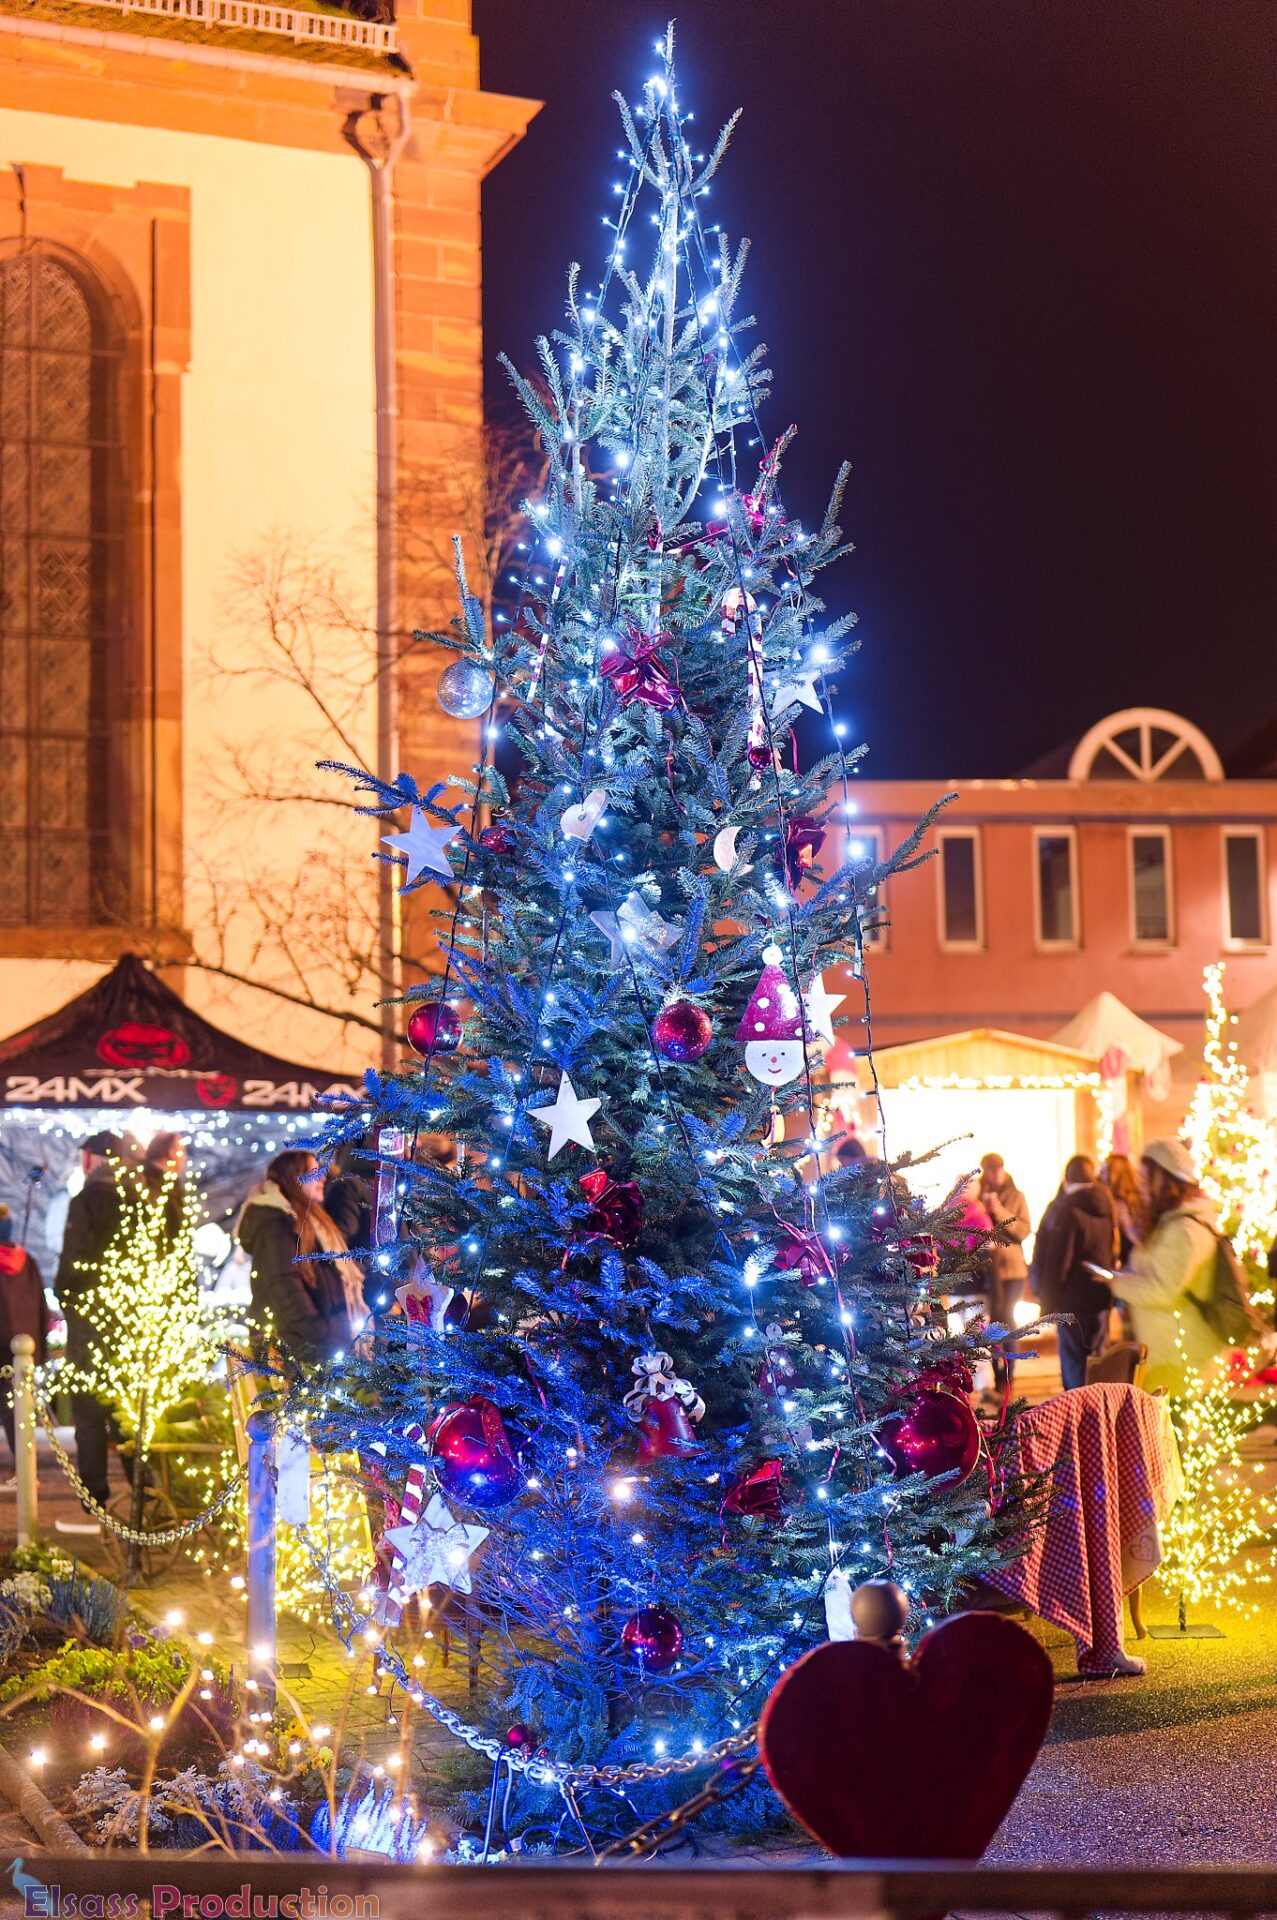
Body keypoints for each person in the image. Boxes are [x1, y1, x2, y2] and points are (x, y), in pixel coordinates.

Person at [53, 1131, 128, 1531]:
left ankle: (95, 1503)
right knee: (127, 1411)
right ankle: (140, 1497)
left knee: (88, 1410)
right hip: (131, 1320)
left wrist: (69, 1300)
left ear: (91, 1159)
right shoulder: (138, 1198)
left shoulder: (86, 1200)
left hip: (91, 1321)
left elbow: (73, 1261)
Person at [238, 1150, 368, 1367]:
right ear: (294, 1177)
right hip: (302, 1351)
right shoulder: (277, 1225)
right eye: (313, 1172)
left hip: (318, 1346)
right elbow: (285, 1286)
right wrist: (321, 1333)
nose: (322, 1177)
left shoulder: (311, 1220)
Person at [1116, 1138, 1223, 1392]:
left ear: (1165, 1180)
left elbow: (1163, 1291)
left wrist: (1116, 1282)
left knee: (1173, 1428)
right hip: (1165, 1348)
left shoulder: (1182, 1230)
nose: (1141, 1185)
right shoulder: (1167, 1224)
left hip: (1180, 1353)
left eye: (1146, 1177)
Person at [1030, 1154, 1119, 1391]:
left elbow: (1059, 1259)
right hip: (1100, 1293)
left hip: (1072, 1299)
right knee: (1098, 1359)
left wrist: (1048, 1301)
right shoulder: (1105, 1205)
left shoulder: (1067, 1209)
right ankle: (1098, 1410)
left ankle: (1078, 1415)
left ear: (1066, 1179)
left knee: (1074, 1362)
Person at [0, 1203, 48, 1493]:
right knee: (17, 1408)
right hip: (23, 1346)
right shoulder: (25, 1260)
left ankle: (23, 1470)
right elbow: (41, 1306)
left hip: (2, 1345)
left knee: (10, 1409)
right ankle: (24, 1468)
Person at [979, 1153, 1031, 1388]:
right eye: (990, 1169)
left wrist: (999, 1211)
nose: (995, 1173)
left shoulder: (1017, 1196)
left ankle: (1009, 1374)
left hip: (1012, 1272)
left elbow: (1023, 1231)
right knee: (991, 1322)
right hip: (988, 1271)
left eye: (998, 1168)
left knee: (1008, 1319)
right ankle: (995, 1372)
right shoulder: (978, 1195)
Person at [1100, 1151, 1143, 1264]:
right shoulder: (1138, 1198)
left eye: (1105, 1172)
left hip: (1126, 1259)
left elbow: (1130, 1234)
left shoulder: (1115, 1203)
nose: (1100, 1176)